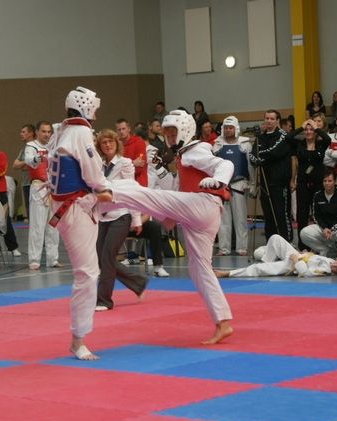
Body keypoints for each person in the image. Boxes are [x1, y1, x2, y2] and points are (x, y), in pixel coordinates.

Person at [97, 109, 235, 346]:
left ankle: (106, 191)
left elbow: (225, 164)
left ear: (185, 131)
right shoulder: (183, 155)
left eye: (173, 132)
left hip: (202, 204)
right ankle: (223, 322)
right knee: (199, 269)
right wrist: (161, 174)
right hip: (201, 213)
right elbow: (177, 190)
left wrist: (219, 180)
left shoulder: (195, 150)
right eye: (167, 133)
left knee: (146, 194)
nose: (170, 137)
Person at [46, 86, 110, 360]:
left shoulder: (61, 130)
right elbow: (93, 172)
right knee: (87, 273)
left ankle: (78, 338)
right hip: (75, 207)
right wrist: (104, 189)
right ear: (86, 107)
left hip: (65, 206)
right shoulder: (80, 132)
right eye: (94, 108)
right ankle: (78, 339)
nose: (96, 113)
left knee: (87, 271)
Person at [94, 129, 147, 311]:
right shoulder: (99, 165)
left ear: (117, 144)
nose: (107, 145)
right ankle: (138, 282)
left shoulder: (125, 163)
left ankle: (104, 300)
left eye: (110, 141)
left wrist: (136, 219)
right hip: (103, 217)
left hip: (121, 215)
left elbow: (132, 191)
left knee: (108, 256)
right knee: (100, 258)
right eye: (104, 142)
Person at [214, 234, 337, 278]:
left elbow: (306, 273)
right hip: (297, 255)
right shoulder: (330, 260)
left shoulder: (325, 271)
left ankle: (227, 273)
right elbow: (314, 257)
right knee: (275, 238)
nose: (334, 264)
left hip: (292, 264)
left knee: (258, 269)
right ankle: (267, 261)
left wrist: (297, 261)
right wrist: (306, 254)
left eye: (336, 267)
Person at [213, 115, 253, 256]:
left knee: (240, 218)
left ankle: (242, 248)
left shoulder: (245, 144)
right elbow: (213, 166)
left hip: (239, 184)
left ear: (236, 129)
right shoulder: (217, 145)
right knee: (223, 220)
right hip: (222, 185)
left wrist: (252, 183)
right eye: (226, 128)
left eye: (230, 128)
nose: (228, 130)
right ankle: (224, 248)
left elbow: (250, 166)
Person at [249, 109, 292, 241]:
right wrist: (258, 158)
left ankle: (287, 242)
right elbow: (252, 156)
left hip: (279, 182)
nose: (269, 121)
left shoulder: (283, 135)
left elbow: (274, 153)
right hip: (264, 182)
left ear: (277, 121)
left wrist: (260, 157)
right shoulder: (260, 137)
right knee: (268, 216)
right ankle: (270, 243)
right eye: (267, 118)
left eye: (272, 119)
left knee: (281, 214)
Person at [287, 118, 330, 251]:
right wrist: (301, 127)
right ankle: (303, 245)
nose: (309, 131)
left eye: (311, 130)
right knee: (302, 214)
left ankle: (319, 244)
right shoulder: (299, 144)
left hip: (318, 184)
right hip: (302, 184)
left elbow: (328, 138)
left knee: (318, 213)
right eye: (307, 130)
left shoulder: (321, 144)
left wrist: (316, 128)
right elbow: (288, 137)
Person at [24, 120, 61, 270]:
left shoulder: (54, 146)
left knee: (54, 225)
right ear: (37, 132)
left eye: (49, 132)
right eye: (43, 131)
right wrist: (37, 158)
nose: (46, 134)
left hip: (55, 188)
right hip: (39, 187)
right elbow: (28, 161)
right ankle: (34, 259)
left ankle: (53, 259)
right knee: (37, 225)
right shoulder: (31, 146)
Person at [300, 169, 337, 258]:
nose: (327, 183)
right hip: (324, 229)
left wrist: (332, 229)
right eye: (325, 181)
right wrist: (324, 228)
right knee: (304, 233)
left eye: (330, 181)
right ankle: (324, 250)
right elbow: (316, 215)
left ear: (335, 181)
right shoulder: (317, 195)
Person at [12, 124, 36, 221]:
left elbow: (36, 164)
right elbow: (15, 165)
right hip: (26, 184)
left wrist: (26, 164)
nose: (20, 134)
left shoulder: (36, 147)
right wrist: (27, 162)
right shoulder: (24, 149)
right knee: (30, 212)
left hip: (35, 183)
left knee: (36, 212)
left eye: (23, 132)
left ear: (31, 133)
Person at [115, 119, 148, 187]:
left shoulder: (139, 142)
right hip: (121, 185)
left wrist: (121, 167)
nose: (121, 131)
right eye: (119, 129)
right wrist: (132, 163)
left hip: (139, 183)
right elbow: (114, 169)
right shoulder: (115, 145)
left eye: (123, 129)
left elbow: (140, 166)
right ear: (116, 131)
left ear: (129, 129)